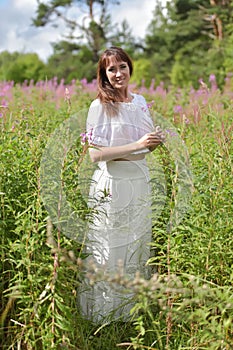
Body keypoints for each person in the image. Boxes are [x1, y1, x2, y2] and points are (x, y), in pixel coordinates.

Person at [79, 46, 164, 323]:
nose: (118, 73)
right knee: (110, 246)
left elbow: (143, 148)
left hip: (138, 182)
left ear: (130, 68)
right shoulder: (99, 106)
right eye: (111, 69)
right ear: (104, 74)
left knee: (136, 244)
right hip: (111, 185)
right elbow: (95, 154)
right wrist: (137, 145)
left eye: (122, 66)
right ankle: (104, 315)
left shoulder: (140, 102)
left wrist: (152, 142)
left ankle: (130, 313)